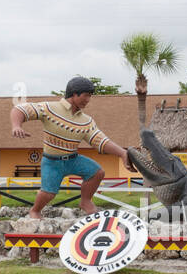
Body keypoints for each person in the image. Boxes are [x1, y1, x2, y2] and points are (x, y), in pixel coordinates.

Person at [10, 76, 133, 219]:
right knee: (48, 193)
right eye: (86, 95)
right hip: (52, 162)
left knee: (97, 173)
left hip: (73, 159)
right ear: (74, 94)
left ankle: (86, 201)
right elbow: (19, 110)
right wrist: (16, 125)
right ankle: (35, 210)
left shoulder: (86, 121)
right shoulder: (49, 108)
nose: (88, 99)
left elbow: (101, 141)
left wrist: (123, 153)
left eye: (90, 96)